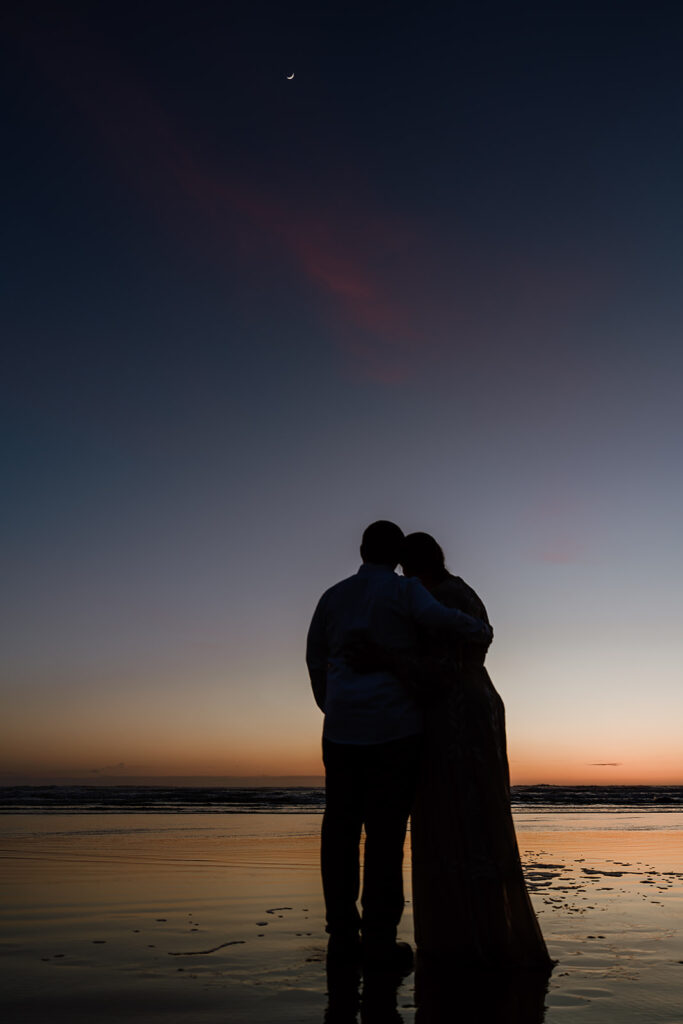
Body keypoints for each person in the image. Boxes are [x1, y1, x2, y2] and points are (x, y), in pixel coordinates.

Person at [306, 521, 492, 971]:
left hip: (342, 730)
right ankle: (379, 941)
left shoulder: (333, 596)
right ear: (396, 557)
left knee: (341, 833)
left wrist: (332, 704)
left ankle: (341, 939)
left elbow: (314, 657)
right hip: (394, 731)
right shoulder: (406, 593)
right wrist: (480, 630)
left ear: (362, 549)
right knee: (386, 837)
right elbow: (462, 627)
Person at [398, 532, 553, 972]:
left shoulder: (439, 597)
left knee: (455, 814)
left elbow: (440, 668)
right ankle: (484, 930)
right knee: (479, 813)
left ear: (412, 567)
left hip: (453, 711)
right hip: (478, 701)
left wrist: (388, 663)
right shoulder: (462, 590)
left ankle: (468, 940)